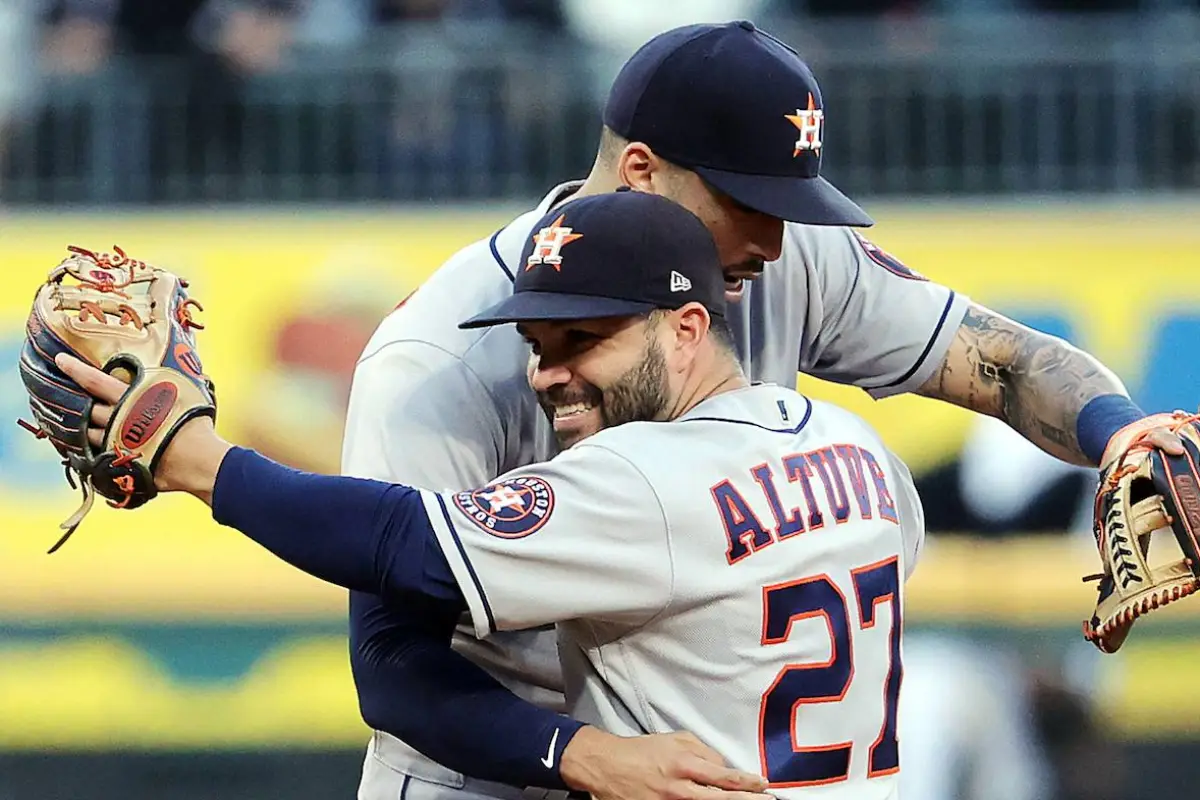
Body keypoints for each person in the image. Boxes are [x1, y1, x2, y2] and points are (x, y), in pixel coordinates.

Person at [336, 19, 1184, 800]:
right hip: (489, 770)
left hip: (696, 757)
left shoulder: (779, 259)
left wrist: (1124, 434)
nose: (775, 241)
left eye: (787, 206)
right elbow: (391, 664)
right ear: (641, 174)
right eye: (748, 202)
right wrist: (581, 753)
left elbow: (999, 361)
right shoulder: (441, 358)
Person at [57, 189, 925, 800]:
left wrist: (197, 461)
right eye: (537, 345)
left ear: (688, 327)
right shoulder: (854, 447)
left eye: (585, 339)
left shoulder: (644, 481)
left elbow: (406, 544)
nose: (550, 376)